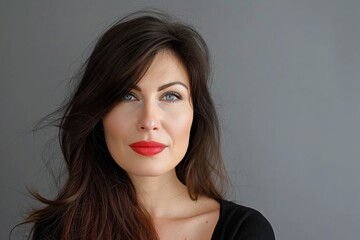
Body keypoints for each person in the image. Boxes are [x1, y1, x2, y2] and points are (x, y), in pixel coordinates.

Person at [24, 10, 275, 240]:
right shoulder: (58, 230)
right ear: (99, 113)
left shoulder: (244, 231)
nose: (149, 121)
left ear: (195, 113)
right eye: (127, 96)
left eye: (170, 96)